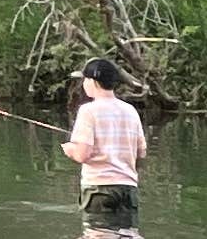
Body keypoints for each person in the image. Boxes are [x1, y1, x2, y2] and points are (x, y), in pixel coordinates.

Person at [62, 53, 146, 226]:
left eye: (84, 79)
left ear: (92, 82)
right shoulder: (130, 111)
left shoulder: (88, 111)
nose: (83, 83)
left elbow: (82, 155)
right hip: (128, 189)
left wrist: (70, 149)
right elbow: (141, 153)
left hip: (99, 189)